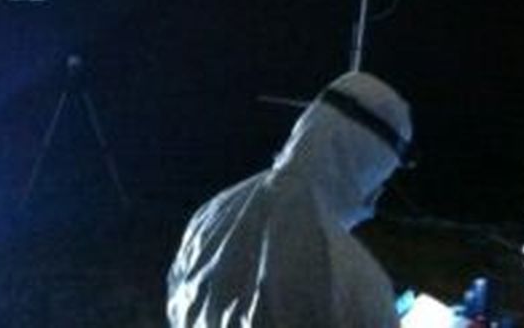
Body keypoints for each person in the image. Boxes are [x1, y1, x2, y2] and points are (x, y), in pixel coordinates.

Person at [167, 71, 413, 328]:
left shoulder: (209, 215)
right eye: (383, 177)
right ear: (370, 164)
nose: (378, 194)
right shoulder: (355, 281)